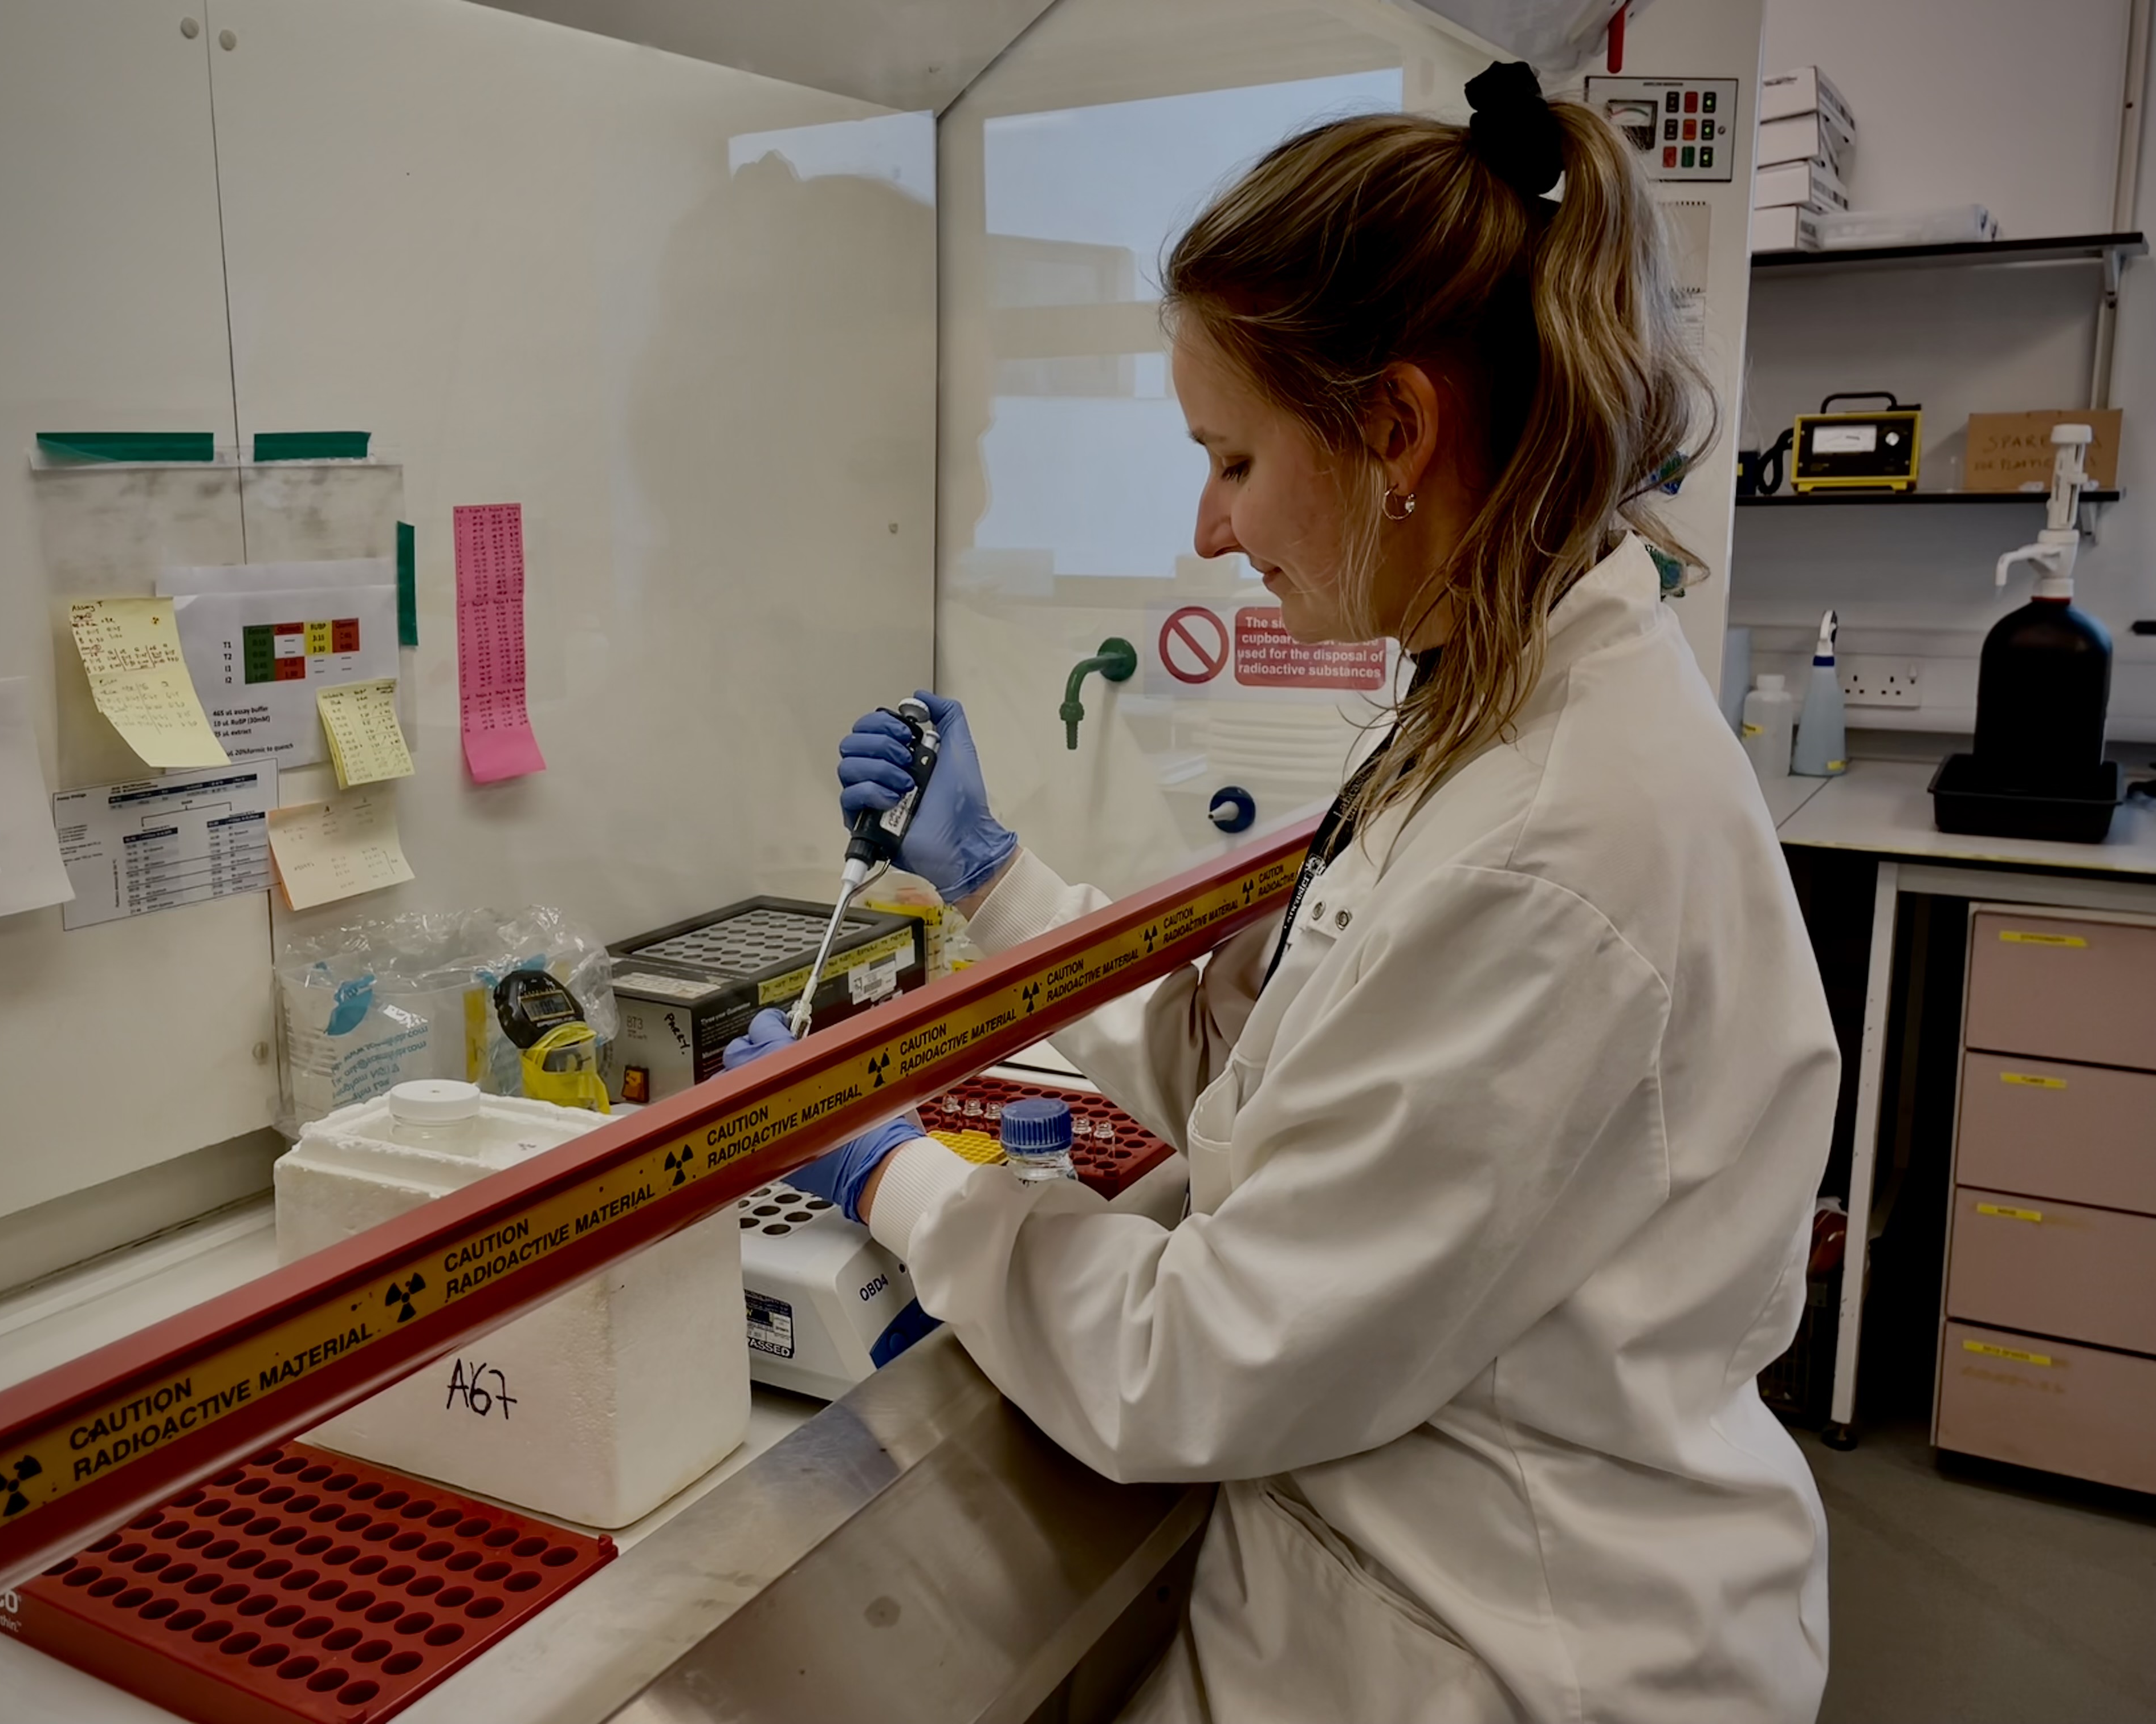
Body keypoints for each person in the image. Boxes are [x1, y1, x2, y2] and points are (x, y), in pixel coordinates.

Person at [726, 62, 1838, 1724]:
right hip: (1420, 1561)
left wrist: (895, 1176)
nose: (1208, 525)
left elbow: (1193, 1360)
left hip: (1509, 1641)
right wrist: (996, 881)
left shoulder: (1555, 840)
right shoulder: (1493, 692)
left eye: (1232, 458)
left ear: (1394, 427)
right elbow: (1293, 1086)